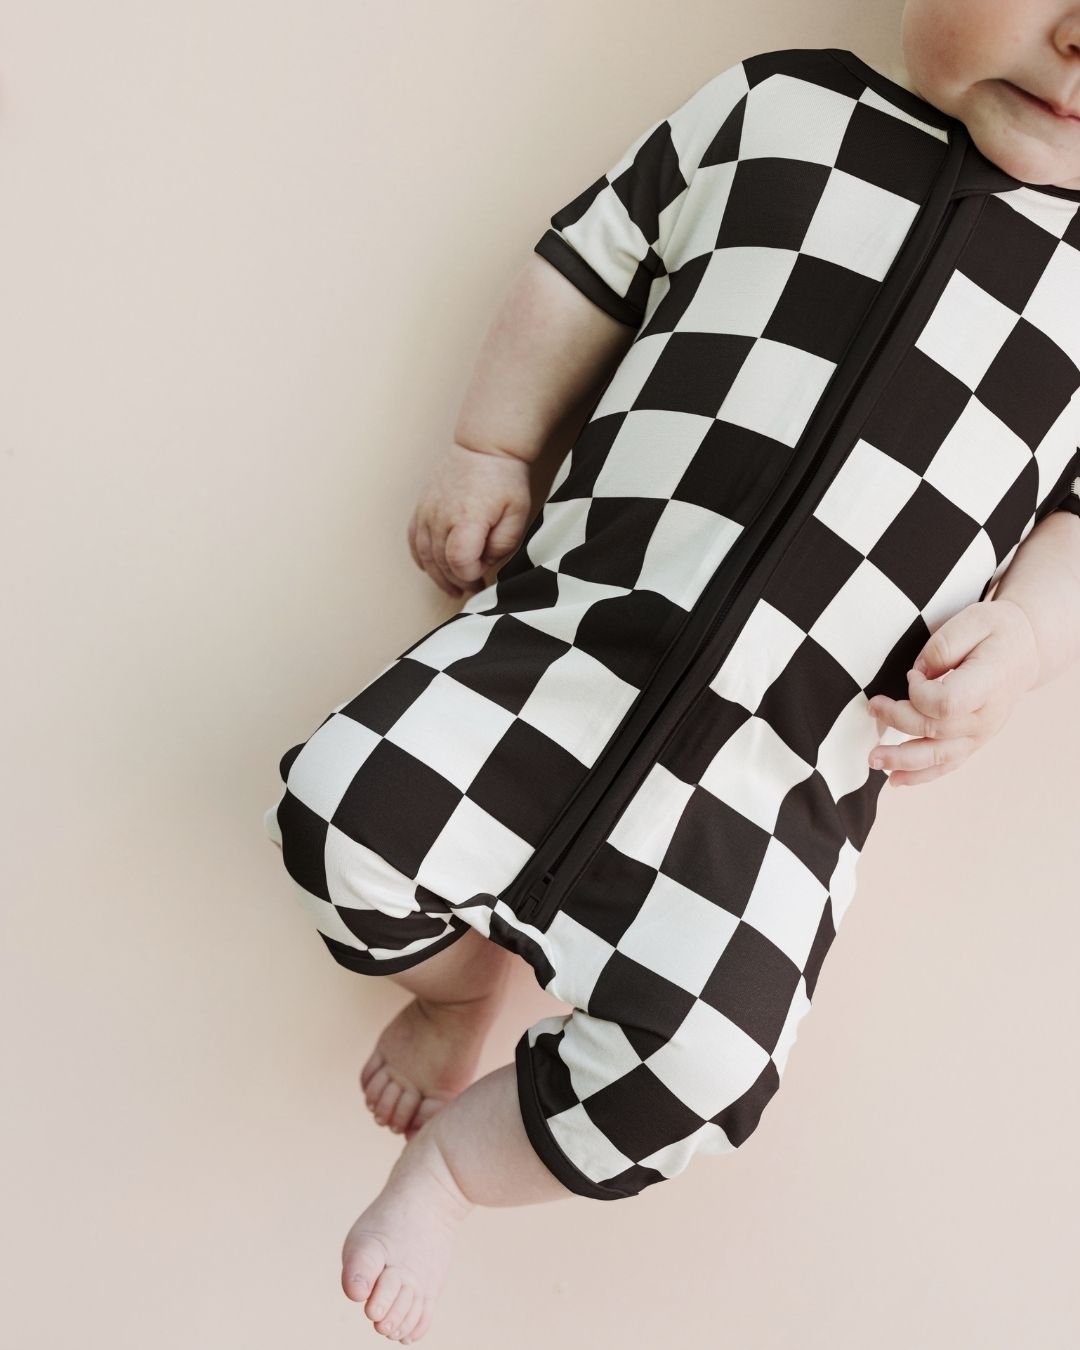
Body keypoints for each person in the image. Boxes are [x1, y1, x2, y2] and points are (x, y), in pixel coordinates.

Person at [263, 1, 1080, 1341]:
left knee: (702, 1077)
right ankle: (463, 982)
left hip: (776, 784)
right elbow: (589, 265)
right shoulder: (780, 110)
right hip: (564, 645)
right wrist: (488, 444)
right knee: (335, 818)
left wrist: (1032, 641)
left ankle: (460, 1163)